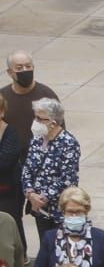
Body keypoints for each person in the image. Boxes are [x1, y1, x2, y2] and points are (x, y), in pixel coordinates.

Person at [3, 54, 59, 248]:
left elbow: (59, 132)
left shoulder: (46, 94)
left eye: (28, 66)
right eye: (19, 67)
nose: (25, 70)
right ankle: (21, 252)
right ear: (10, 72)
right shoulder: (4, 97)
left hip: (42, 171)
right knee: (12, 216)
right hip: (13, 169)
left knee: (42, 218)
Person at [21, 99, 79, 243]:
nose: (36, 121)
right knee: (45, 246)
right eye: (35, 117)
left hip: (59, 210)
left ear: (53, 123)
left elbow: (68, 179)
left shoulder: (69, 143)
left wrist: (43, 198)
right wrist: (30, 193)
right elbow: (27, 168)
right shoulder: (37, 139)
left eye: (40, 119)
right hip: (38, 208)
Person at [0, 98, 26, 256]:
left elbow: (4, 162)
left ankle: (19, 256)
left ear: (2, 112)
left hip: (7, 192)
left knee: (11, 224)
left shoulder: (10, 133)